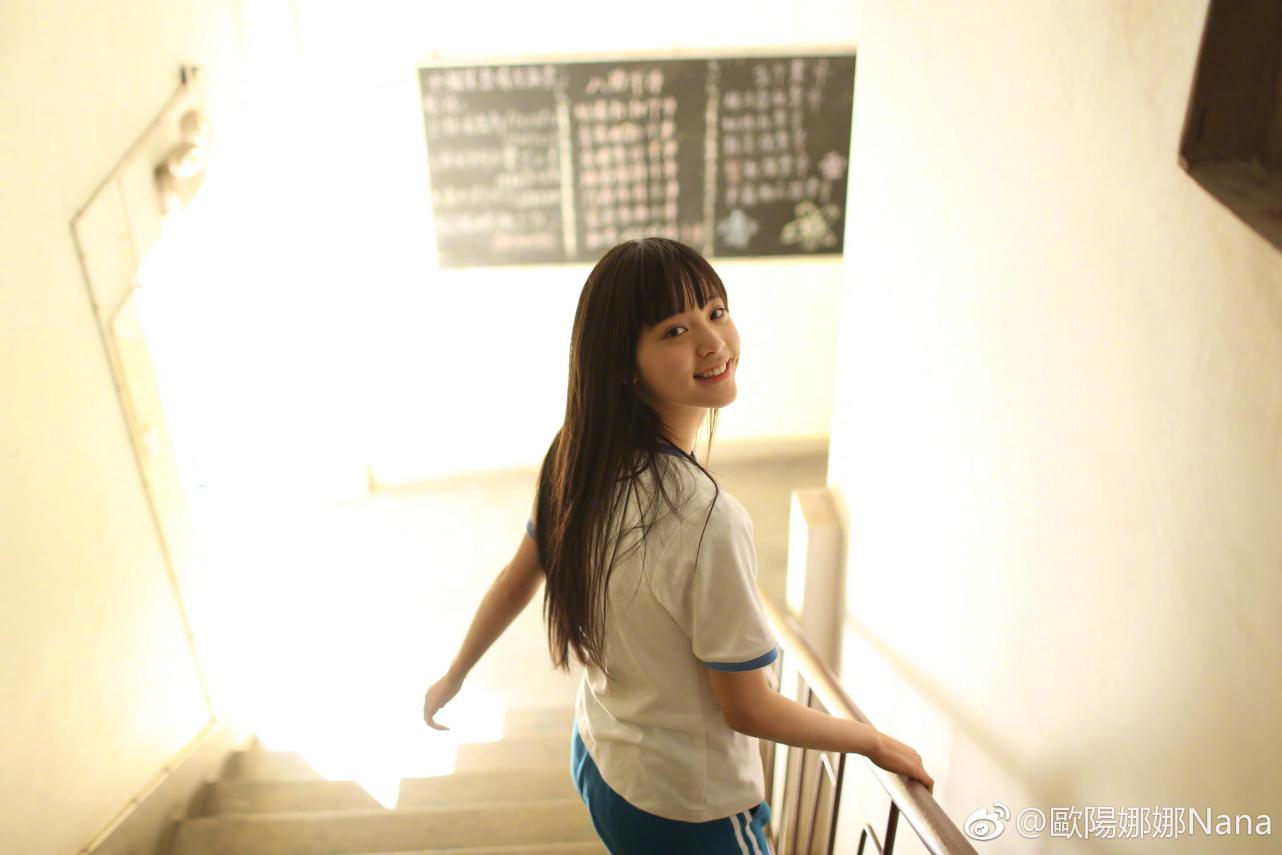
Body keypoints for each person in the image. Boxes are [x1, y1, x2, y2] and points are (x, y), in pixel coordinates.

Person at [422, 237, 934, 853]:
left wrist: (455, 674)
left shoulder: (575, 454)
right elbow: (748, 708)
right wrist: (870, 740)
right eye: (674, 330)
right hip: (689, 814)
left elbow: (516, 579)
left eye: (716, 312)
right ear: (623, 363)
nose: (713, 342)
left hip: (601, 758)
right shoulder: (709, 520)